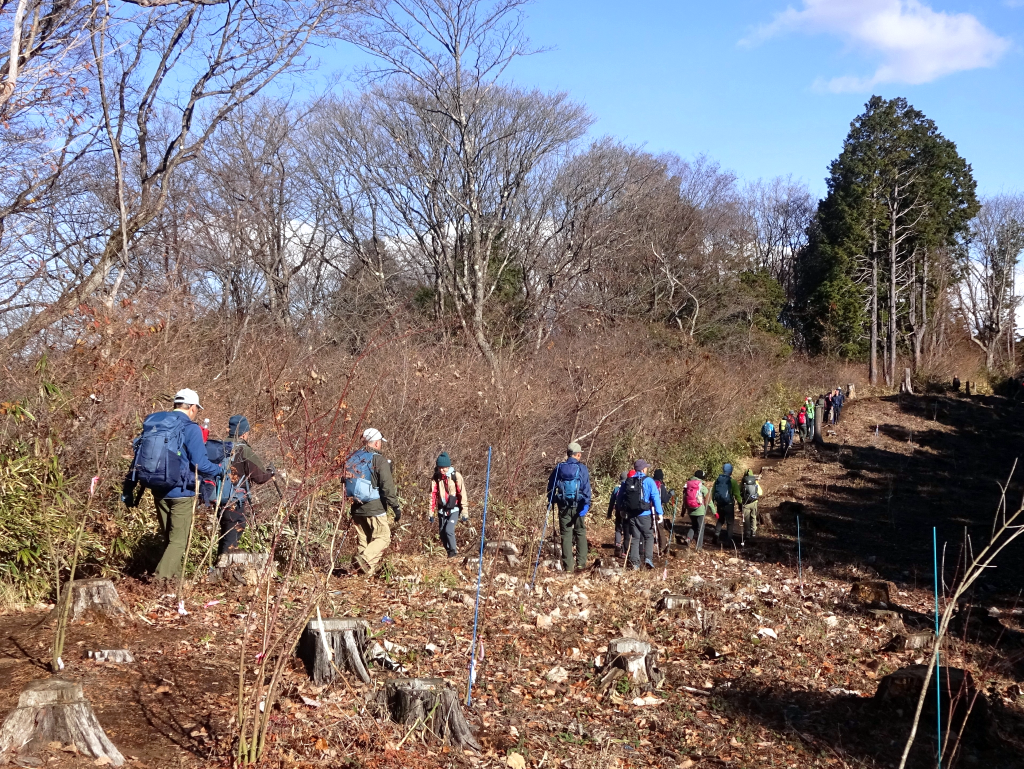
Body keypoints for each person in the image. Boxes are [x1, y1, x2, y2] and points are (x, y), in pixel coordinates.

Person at [129, 389, 223, 586]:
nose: (196, 412)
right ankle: (158, 583)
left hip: (157, 488)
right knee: (179, 541)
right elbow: (200, 464)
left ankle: (176, 584)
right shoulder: (191, 429)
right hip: (182, 491)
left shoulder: (158, 423)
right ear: (191, 407)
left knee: (170, 539)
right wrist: (219, 470)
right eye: (196, 408)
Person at [345, 427, 401, 575]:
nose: (380, 445)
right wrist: (395, 507)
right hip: (374, 506)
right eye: (380, 442)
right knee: (383, 537)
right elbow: (387, 486)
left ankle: (362, 575)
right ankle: (366, 560)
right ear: (376, 443)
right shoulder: (379, 460)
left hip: (356, 506)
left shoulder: (352, 457)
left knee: (364, 540)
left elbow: (343, 480)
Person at [220, 414, 275, 555]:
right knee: (234, 532)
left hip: (217, 498)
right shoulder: (243, 449)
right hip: (234, 499)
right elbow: (260, 477)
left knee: (225, 532)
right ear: (244, 433)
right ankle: (224, 569)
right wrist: (271, 472)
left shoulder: (219, 446)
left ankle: (218, 567)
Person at [547, 442, 592, 573]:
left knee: (566, 536)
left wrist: (551, 501)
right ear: (578, 455)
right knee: (580, 533)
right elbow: (586, 488)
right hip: (579, 506)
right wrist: (586, 505)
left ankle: (568, 567)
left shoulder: (559, 467)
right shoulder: (582, 468)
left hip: (563, 506)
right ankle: (581, 564)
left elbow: (551, 486)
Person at [617, 459, 663, 569]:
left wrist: (621, 510)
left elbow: (620, 497)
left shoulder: (627, 481)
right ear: (643, 469)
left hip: (632, 514)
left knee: (635, 538)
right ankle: (648, 558)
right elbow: (655, 497)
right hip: (645, 514)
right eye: (646, 467)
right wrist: (659, 513)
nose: (647, 469)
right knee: (648, 536)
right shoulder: (649, 481)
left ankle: (635, 563)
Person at [428, 452, 467, 558]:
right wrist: (431, 513)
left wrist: (464, 511)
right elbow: (433, 495)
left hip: (454, 508)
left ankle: (453, 552)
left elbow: (462, 494)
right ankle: (449, 552)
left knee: (448, 530)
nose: (442, 470)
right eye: (440, 467)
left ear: (448, 466)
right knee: (442, 533)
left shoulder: (456, 476)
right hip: (442, 509)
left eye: (444, 468)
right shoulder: (436, 478)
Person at [682, 470, 713, 548]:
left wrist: (683, 510)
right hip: (699, 510)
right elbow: (709, 500)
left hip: (689, 508)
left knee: (694, 525)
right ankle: (699, 547)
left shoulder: (687, 485)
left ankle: (688, 538)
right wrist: (714, 511)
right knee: (701, 527)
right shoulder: (702, 487)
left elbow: (684, 498)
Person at [712, 463, 741, 546]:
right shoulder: (733, 481)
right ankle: (729, 540)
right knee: (730, 522)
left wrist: (713, 502)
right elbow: (737, 494)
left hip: (720, 504)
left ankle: (716, 536)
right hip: (729, 504)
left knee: (720, 520)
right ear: (731, 471)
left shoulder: (718, 480)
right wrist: (740, 503)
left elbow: (714, 492)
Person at [606, 471, 629, 558]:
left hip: (618, 511)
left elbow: (611, 503)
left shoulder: (616, 489)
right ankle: (624, 550)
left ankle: (618, 544)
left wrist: (609, 514)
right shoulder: (629, 487)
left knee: (618, 529)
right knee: (627, 530)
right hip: (627, 512)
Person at [739, 469, 763, 543]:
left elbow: (738, 491)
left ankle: (747, 533)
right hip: (754, 502)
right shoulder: (755, 482)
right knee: (753, 517)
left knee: (746, 519)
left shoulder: (743, 482)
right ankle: (754, 532)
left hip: (746, 503)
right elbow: (761, 492)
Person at [653, 469, 673, 553]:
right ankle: (662, 547)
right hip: (658, 510)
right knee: (660, 528)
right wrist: (670, 494)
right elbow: (664, 499)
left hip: (648, 509)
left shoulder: (650, 483)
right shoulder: (661, 486)